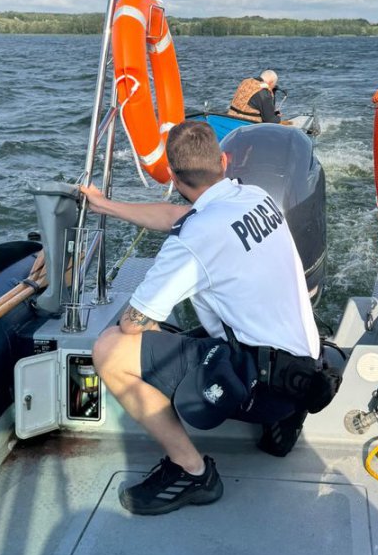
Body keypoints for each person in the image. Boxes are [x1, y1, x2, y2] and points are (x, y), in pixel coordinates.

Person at [80, 120, 322, 517]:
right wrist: (105, 205)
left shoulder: (193, 238)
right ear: (223, 162)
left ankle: (191, 472)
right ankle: (283, 427)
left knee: (110, 349)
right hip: (302, 370)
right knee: (189, 333)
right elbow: (180, 215)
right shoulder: (253, 197)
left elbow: (133, 323)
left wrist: (152, 331)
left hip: (264, 388)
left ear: (174, 177)